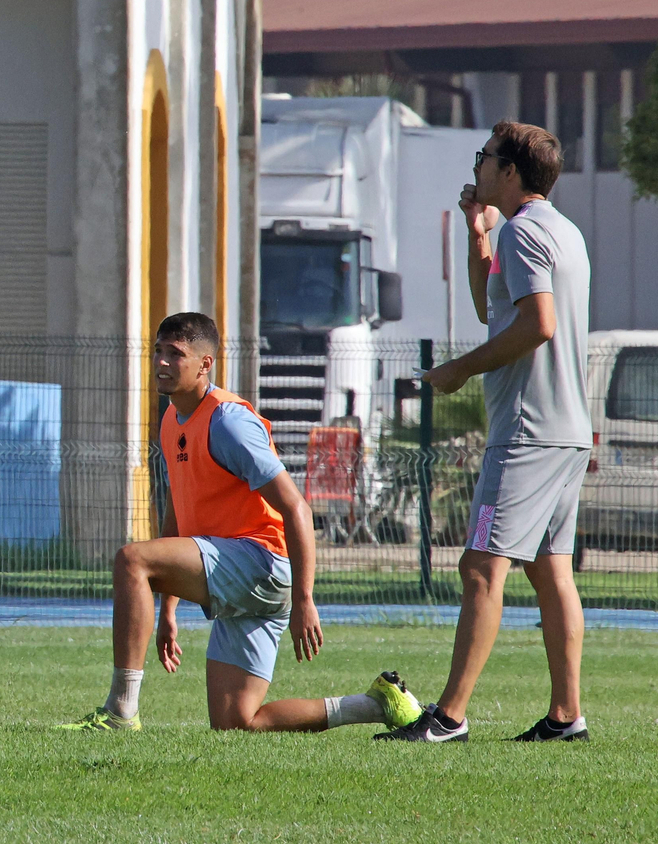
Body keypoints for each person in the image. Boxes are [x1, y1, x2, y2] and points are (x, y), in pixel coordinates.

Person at [58, 312, 422, 735]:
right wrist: (168, 608)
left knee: (131, 560)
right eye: (157, 351)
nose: (161, 362)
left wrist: (305, 598)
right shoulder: (171, 418)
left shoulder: (227, 421)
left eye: (175, 354)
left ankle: (121, 711)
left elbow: (297, 509)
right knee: (237, 723)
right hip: (238, 567)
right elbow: (178, 515)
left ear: (204, 364)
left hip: (260, 562)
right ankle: (375, 704)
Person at [380, 122, 591, 743]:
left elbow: (539, 326)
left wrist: (458, 371)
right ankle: (566, 715)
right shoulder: (560, 231)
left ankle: (448, 716)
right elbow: (492, 309)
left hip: (527, 431)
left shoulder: (525, 233)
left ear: (510, 172)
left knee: (479, 567)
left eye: (486, 158)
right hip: (568, 429)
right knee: (552, 572)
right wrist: (479, 239)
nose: (477, 167)